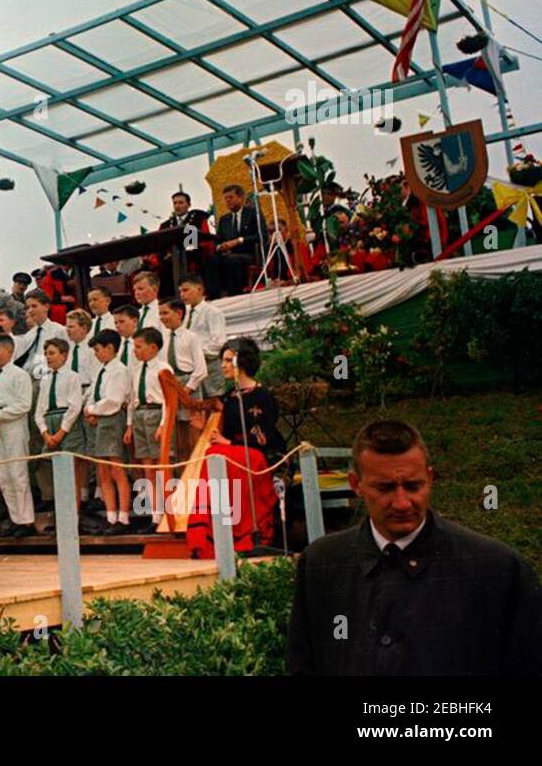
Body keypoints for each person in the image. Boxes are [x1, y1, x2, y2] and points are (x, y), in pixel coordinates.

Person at [289, 419, 542, 675]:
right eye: (385, 488)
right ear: (356, 485)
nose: (402, 503)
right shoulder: (321, 564)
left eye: (413, 486)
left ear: (430, 478)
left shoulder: (496, 569)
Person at [13, 290, 67, 507]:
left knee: (48, 435)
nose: (30, 311)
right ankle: (44, 491)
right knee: (33, 438)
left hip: (47, 382)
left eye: (34, 306)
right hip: (28, 384)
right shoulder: (28, 336)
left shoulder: (58, 331)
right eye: (27, 307)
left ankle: (59, 491)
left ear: (46, 306)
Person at [0, 334, 35, 537]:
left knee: (17, 473)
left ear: (10, 352)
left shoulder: (19, 375)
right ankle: (14, 518)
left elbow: (23, 404)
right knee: (4, 476)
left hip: (13, 424)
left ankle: (26, 520)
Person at [34, 338, 88, 523]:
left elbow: (75, 407)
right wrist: (45, 433)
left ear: (64, 355)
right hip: (50, 423)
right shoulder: (45, 380)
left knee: (71, 470)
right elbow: (39, 410)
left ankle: (74, 514)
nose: (48, 357)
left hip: (67, 424)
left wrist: (61, 432)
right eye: (46, 354)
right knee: (55, 472)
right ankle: (61, 513)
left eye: (52, 353)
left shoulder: (72, 376)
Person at [83, 331, 132, 535]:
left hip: (112, 419)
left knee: (116, 469)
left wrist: (93, 410)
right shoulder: (101, 369)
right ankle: (110, 515)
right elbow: (91, 394)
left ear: (110, 348)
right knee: (102, 469)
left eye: (98, 350)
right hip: (98, 420)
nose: (96, 354)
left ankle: (123, 516)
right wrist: (89, 409)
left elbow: (114, 400)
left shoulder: (119, 370)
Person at [125, 327, 172, 532]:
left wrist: (163, 424)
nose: (135, 351)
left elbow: (168, 401)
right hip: (139, 414)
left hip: (155, 414)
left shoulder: (163, 368)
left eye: (139, 347)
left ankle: (164, 513)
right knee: (147, 468)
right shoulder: (137, 370)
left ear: (153, 347)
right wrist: (129, 425)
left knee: (160, 466)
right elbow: (132, 399)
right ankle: (153, 515)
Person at [219, 338, 286, 465]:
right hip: (237, 453)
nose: (223, 365)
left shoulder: (262, 396)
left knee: (216, 454)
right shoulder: (229, 395)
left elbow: (263, 440)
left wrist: (228, 443)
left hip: (263, 456)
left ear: (241, 362)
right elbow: (227, 429)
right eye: (222, 360)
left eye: (228, 360)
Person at [156, 299, 208, 460]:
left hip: (188, 385)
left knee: (192, 431)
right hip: (170, 385)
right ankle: (181, 473)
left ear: (178, 313)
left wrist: (185, 391)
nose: (162, 317)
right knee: (176, 433)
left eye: (165, 313)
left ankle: (197, 471)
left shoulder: (191, 337)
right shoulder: (162, 339)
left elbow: (201, 370)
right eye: (160, 314)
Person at [178, 275, 227, 400]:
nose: (182, 295)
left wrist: (196, 353)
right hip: (192, 369)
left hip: (209, 365)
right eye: (180, 292)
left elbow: (218, 343)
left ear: (199, 289)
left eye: (186, 290)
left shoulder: (212, 312)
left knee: (213, 403)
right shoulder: (185, 313)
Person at [156, 191, 212, 297]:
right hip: (171, 262)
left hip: (195, 257)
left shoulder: (197, 219)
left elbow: (205, 241)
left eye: (181, 203)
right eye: (175, 203)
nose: (177, 206)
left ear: (188, 204)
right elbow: (161, 246)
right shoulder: (166, 225)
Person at [214, 184, 266, 297]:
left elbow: (262, 235)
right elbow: (217, 241)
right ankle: (215, 295)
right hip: (228, 254)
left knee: (232, 260)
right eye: (226, 198)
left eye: (230, 197)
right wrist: (221, 247)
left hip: (249, 253)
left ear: (241, 198)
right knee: (211, 260)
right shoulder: (224, 220)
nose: (228, 201)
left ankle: (236, 293)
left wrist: (239, 240)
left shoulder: (253, 213)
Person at [112, 304, 139, 370]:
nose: (117, 325)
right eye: (116, 323)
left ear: (135, 321)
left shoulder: (144, 343)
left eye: (122, 321)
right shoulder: (117, 343)